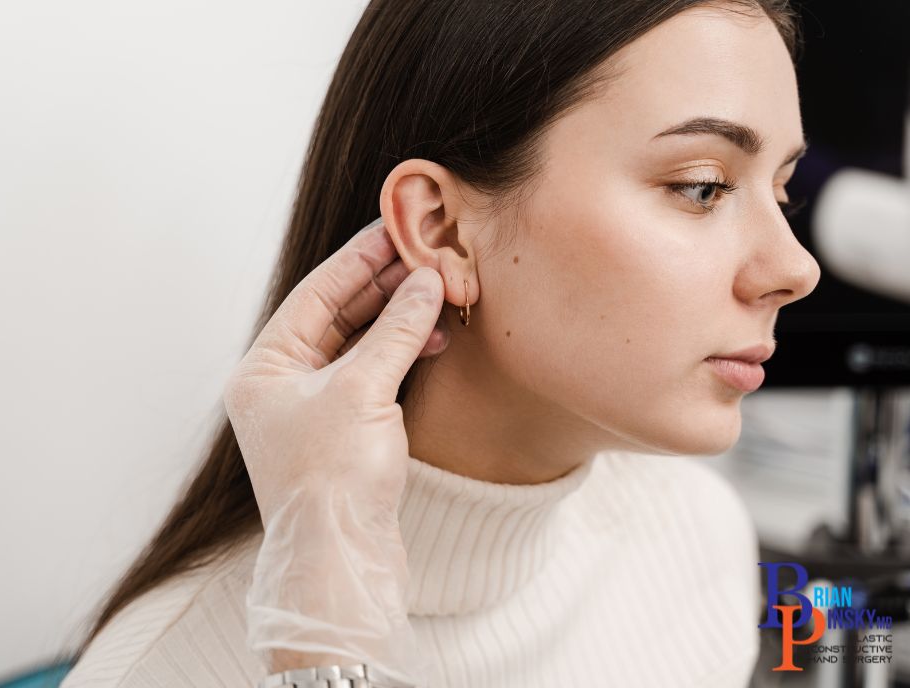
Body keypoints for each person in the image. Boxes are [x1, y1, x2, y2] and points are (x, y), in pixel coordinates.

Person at [58, 0, 821, 686]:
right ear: (441, 230)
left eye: (782, 192)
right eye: (702, 186)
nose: (795, 267)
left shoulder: (691, 537)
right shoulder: (165, 668)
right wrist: (323, 651)